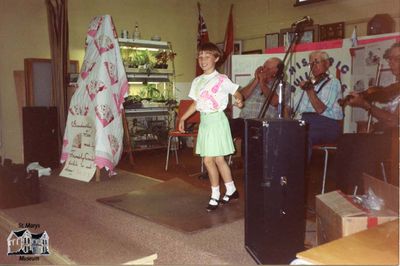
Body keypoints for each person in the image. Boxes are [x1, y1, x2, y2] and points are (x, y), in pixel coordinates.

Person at [178, 42, 244, 212]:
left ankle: (215, 195)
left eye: (207, 56)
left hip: (217, 121)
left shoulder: (222, 79)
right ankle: (231, 190)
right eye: (200, 56)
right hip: (206, 122)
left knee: (209, 160)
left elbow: (236, 92)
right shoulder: (197, 81)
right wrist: (183, 118)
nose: (203, 59)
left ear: (216, 58)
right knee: (219, 159)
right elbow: (195, 103)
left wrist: (239, 99)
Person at [296, 50, 343, 161]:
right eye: (310, 63)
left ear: (326, 64)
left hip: (327, 124)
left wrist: (309, 90)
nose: (313, 66)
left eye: (316, 62)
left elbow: (320, 109)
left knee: (303, 137)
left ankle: (299, 175)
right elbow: (293, 105)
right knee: (285, 134)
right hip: (305, 121)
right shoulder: (309, 82)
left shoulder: (333, 82)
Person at [230, 57, 291, 140]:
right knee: (226, 126)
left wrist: (262, 83)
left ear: (276, 72)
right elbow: (241, 97)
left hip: (265, 123)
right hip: (244, 120)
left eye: (268, 68)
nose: (264, 70)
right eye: (264, 66)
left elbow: (275, 102)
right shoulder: (254, 81)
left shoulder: (284, 86)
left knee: (250, 136)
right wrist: (256, 80)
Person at [345, 42, 400, 130]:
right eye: (390, 59)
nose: (391, 63)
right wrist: (375, 127)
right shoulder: (395, 87)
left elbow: (394, 121)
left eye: (397, 59)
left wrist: (365, 105)